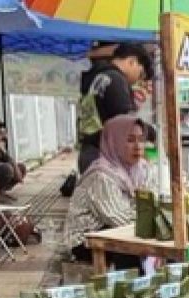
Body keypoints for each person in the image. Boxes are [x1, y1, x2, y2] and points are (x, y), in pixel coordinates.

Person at [68, 115, 151, 269]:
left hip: (116, 229)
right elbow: (119, 218)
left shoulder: (141, 168)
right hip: (87, 238)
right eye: (130, 140)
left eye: (141, 139)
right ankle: (131, 291)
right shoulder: (101, 175)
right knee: (130, 248)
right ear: (114, 142)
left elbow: (151, 200)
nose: (138, 146)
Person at [77, 42, 153, 174]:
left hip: (90, 151)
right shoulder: (116, 80)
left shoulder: (98, 76)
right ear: (132, 62)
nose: (137, 81)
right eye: (140, 74)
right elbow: (126, 124)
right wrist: (152, 133)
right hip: (104, 157)